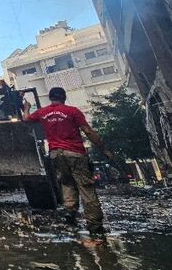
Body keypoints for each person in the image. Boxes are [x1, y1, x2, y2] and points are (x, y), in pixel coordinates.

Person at [22, 87, 114, 240]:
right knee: (85, 186)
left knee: (66, 183)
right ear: (64, 97)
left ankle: (70, 212)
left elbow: (26, 119)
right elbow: (88, 131)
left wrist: (26, 108)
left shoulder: (42, 113)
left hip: (56, 153)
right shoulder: (72, 111)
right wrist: (103, 149)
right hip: (75, 152)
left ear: (51, 98)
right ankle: (95, 225)